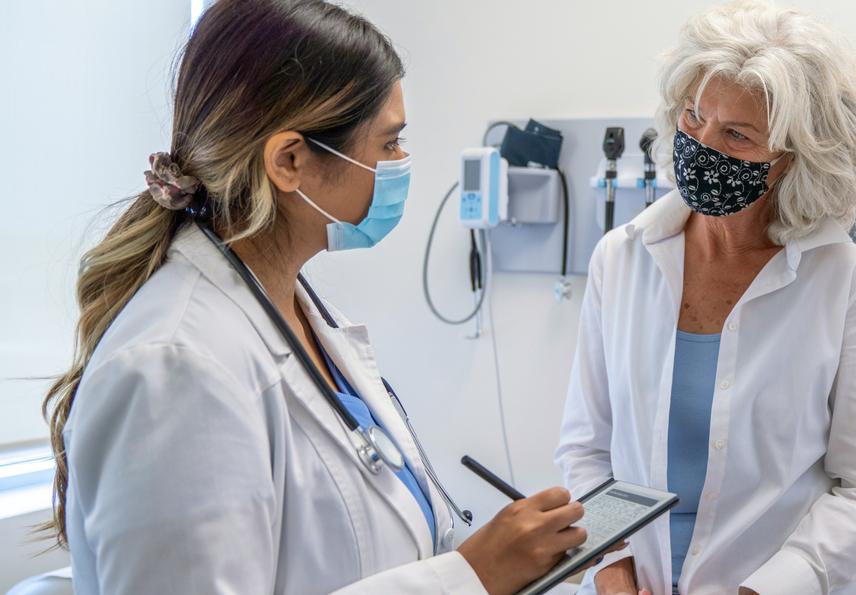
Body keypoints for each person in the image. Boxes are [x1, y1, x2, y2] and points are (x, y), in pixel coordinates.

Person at [39, 1, 590, 593]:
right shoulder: (174, 366)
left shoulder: (298, 311)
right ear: (290, 160)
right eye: (389, 144)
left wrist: (491, 560)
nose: (401, 164)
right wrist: (468, 577)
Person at [555, 2, 856, 594]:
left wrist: (763, 591)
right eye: (694, 117)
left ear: (792, 157)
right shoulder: (621, 258)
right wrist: (608, 567)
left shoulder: (848, 285)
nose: (701, 145)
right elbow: (587, 449)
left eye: (736, 135)